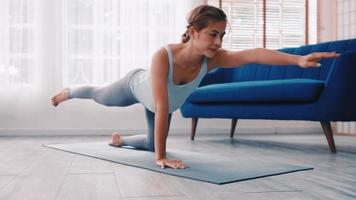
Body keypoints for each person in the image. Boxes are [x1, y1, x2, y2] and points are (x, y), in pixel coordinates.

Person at [51, 5, 339, 170]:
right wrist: (161, 159)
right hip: (139, 87)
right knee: (101, 96)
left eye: (222, 35)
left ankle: (120, 141)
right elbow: (163, 107)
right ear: (193, 32)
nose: (218, 41)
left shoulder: (213, 60)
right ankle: (71, 90)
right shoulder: (163, 56)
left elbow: (254, 53)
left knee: (151, 143)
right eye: (213, 34)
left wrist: (298, 60)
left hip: (163, 104)